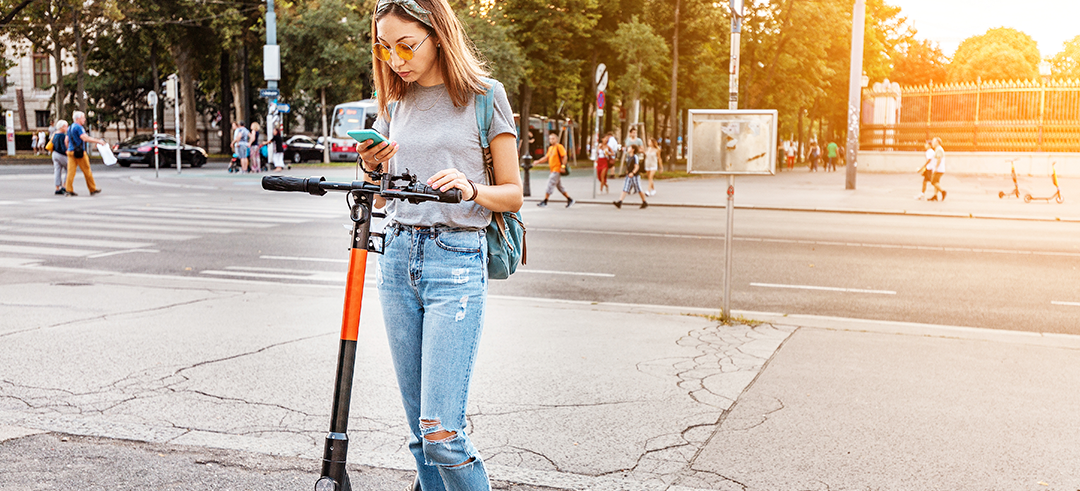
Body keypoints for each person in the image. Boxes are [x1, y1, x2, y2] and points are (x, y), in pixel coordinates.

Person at [360, 0, 523, 488]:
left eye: (406, 46)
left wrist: (472, 189)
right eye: (385, 48)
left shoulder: (484, 98)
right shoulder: (394, 104)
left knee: (441, 434)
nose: (396, 59)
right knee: (417, 436)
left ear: (438, 35)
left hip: (455, 260)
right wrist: (371, 166)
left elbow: (513, 194)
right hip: (396, 257)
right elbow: (385, 196)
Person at [64, 111, 104, 197]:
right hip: (79, 152)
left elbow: (66, 140)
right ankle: (92, 188)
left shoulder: (70, 127)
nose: (84, 119)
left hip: (71, 152)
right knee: (87, 171)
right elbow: (84, 138)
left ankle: (68, 190)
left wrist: (68, 149)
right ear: (78, 119)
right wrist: (98, 141)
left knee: (70, 172)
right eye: (83, 118)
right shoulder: (79, 127)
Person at [535, 132, 574, 207]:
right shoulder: (550, 148)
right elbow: (546, 158)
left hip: (557, 169)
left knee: (550, 184)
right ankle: (569, 199)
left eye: (553, 138)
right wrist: (538, 161)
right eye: (550, 139)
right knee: (560, 187)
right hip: (552, 170)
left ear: (556, 139)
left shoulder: (559, 147)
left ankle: (545, 201)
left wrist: (562, 166)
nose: (551, 140)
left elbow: (565, 156)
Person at [613, 144, 648, 209]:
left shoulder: (635, 157)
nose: (628, 148)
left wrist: (633, 172)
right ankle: (620, 202)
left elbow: (637, 166)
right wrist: (626, 173)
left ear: (633, 149)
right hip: (628, 176)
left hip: (635, 176)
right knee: (625, 188)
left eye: (629, 147)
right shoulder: (629, 157)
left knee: (639, 189)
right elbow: (629, 166)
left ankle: (644, 202)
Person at [50, 120, 68, 195]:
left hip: (54, 154)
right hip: (62, 155)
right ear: (62, 127)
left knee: (57, 170)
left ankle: (57, 187)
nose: (67, 128)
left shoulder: (55, 134)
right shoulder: (62, 136)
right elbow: (63, 148)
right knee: (70, 169)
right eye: (66, 126)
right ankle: (64, 186)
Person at [928, 137, 947, 201]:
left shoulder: (939, 149)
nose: (932, 143)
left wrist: (936, 168)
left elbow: (939, 159)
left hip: (939, 169)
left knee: (933, 182)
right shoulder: (937, 149)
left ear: (937, 142)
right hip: (939, 169)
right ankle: (935, 196)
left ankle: (943, 191)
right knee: (936, 182)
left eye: (933, 142)